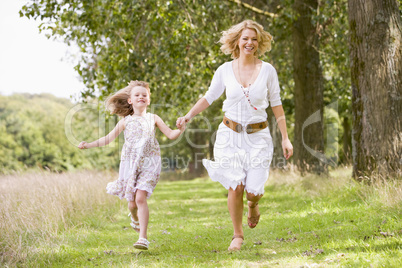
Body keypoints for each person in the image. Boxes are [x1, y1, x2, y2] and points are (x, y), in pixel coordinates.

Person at [176, 20, 293, 251]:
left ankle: (253, 205)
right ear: (237, 42)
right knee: (235, 185)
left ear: (259, 43)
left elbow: (277, 105)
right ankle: (237, 235)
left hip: (258, 137)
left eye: (254, 39)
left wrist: (285, 137)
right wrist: (188, 115)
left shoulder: (268, 70)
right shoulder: (224, 70)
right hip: (229, 135)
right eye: (245, 38)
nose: (250, 43)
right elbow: (209, 97)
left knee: (252, 191)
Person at [78, 80, 185, 250]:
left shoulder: (153, 118)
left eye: (145, 95)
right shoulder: (125, 122)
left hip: (150, 163)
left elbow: (171, 134)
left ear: (149, 100)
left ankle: (143, 238)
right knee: (132, 203)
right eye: (137, 95)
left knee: (140, 198)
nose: (141, 97)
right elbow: (107, 139)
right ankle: (134, 217)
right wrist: (88, 144)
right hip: (130, 164)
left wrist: (181, 128)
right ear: (130, 100)